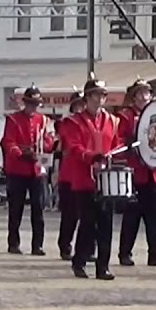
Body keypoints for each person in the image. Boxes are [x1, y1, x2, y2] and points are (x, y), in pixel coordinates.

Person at [61, 77, 120, 280]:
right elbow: (73, 146)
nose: (99, 99)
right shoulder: (73, 122)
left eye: (102, 95)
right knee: (87, 223)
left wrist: (116, 154)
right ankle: (80, 261)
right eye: (95, 95)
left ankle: (103, 266)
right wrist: (91, 156)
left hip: (105, 179)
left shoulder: (112, 121)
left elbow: (116, 143)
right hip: (84, 179)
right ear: (87, 98)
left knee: (106, 224)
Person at [116, 78, 156, 267]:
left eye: (146, 93)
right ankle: (125, 253)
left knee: (155, 216)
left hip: (155, 172)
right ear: (133, 97)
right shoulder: (126, 116)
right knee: (132, 216)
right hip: (136, 171)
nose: (143, 96)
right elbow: (119, 140)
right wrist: (129, 143)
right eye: (139, 93)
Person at [0, 87, 54, 255]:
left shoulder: (44, 120)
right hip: (18, 169)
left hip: (36, 170)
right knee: (15, 209)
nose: (33, 107)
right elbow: (8, 142)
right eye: (30, 104)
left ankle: (37, 245)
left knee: (38, 209)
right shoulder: (13, 119)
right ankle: (13, 243)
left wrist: (45, 147)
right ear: (25, 103)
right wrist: (21, 153)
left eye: (36, 104)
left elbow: (48, 141)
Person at [54, 93, 87, 259]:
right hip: (68, 174)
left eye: (83, 104)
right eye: (77, 105)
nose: (80, 108)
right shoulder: (67, 123)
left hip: (86, 173)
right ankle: (65, 246)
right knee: (70, 215)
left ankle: (87, 249)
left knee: (88, 216)